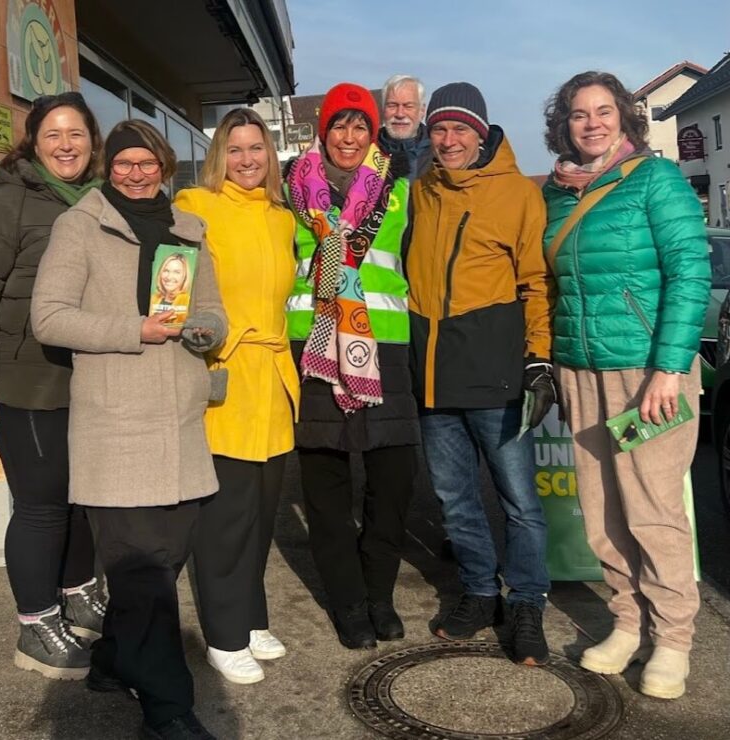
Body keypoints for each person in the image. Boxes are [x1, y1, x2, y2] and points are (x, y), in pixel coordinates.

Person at [31, 119, 226, 739]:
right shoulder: (79, 226)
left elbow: (214, 311)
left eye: (147, 164)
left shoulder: (188, 230)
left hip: (180, 421)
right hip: (116, 426)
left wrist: (206, 331)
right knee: (143, 574)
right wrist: (131, 329)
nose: (136, 174)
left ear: (165, 167)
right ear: (107, 168)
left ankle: (114, 659)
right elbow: (50, 318)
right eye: (123, 164)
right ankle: (168, 709)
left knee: (163, 563)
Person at [542, 71, 710, 699]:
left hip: (647, 374)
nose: (592, 123)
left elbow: (689, 273)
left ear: (625, 118)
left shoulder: (656, 180)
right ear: (564, 124)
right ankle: (627, 622)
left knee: (652, 508)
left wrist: (669, 368)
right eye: (579, 114)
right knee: (602, 509)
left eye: (603, 111)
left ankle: (673, 640)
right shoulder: (559, 194)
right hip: (581, 372)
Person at [405, 82, 554, 665]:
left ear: (482, 133)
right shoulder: (421, 191)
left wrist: (538, 355)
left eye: (460, 129)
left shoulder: (518, 193)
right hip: (433, 373)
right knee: (454, 497)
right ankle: (478, 590)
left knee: (518, 499)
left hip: (494, 371)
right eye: (439, 129)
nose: (449, 140)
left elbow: (536, 281)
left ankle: (527, 601)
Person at [0, 92, 105, 680]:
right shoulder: (6, 204)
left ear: (92, 141)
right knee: (42, 505)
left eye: (76, 134)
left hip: (87, 379)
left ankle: (77, 592)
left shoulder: (99, 200)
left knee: (78, 500)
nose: (66, 145)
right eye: (53, 135)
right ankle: (37, 623)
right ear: (34, 142)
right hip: (24, 382)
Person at [285, 82, 419, 649]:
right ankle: (347, 602)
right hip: (313, 344)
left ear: (373, 133)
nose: (349, 135)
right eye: (339, 124)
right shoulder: (291, 190)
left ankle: (379, 593)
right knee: (326, 483)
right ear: (323, 131)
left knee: (392, 480)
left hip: (382, 342)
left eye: (360, 125)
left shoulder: (400, 191)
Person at [174, 108, 298, 684]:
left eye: (258, 149)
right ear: (218, 155)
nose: (248, 160)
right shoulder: (195, 207)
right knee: (226, 515)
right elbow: (173, 283)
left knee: (262, 512)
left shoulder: (280, 217)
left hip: (273, 377)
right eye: (236, 149)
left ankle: (250, 618)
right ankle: (223, 635)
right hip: (226, 374)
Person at [378, 74, 431, 182]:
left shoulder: (438, 155)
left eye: (408, 106)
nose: (400, 114)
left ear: (422, 110)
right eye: (392, 105)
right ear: (383, 109)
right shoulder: (367, 150)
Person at [150, 252, 191, 321]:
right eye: (166, 270)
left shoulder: (188, 302)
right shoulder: (154, 299)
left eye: (176, 272)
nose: (169, 277)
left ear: (185, 276)